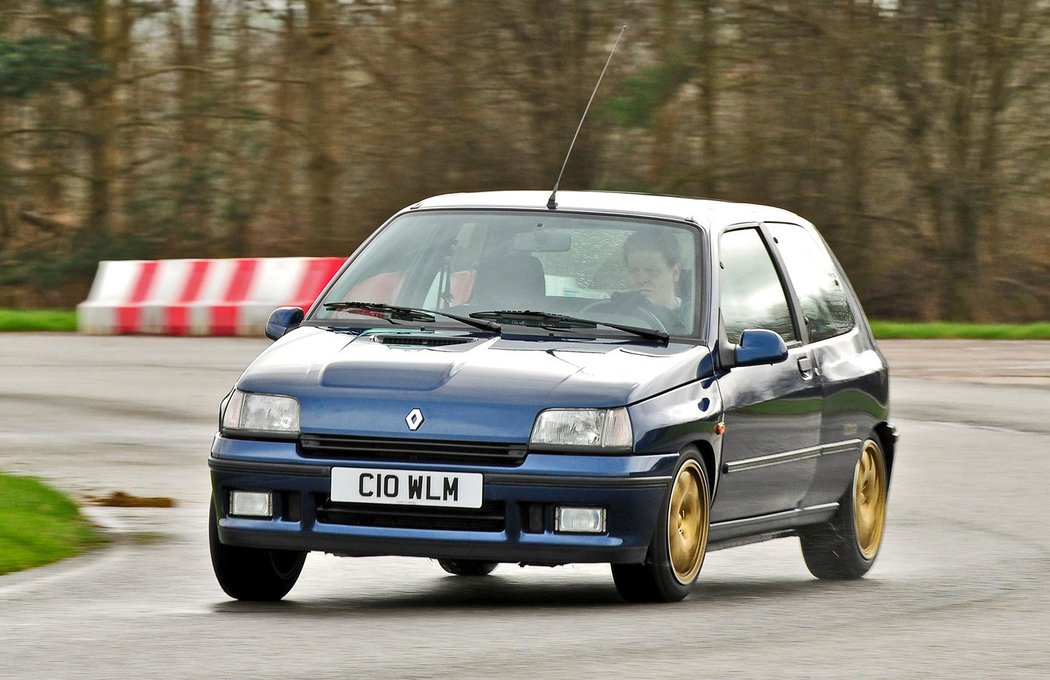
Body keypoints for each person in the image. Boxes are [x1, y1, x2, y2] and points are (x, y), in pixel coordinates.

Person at [611, 230, 688, 332]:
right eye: (633, 271)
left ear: (675, 272)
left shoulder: (692, 321)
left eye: (652, 271)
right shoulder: (612, 312)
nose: (641, 279)